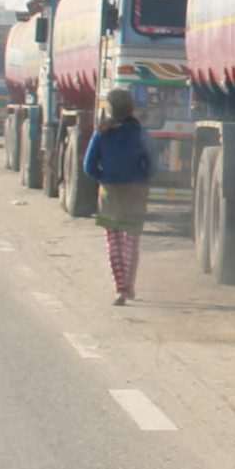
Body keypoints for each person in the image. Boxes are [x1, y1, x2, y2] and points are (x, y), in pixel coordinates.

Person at [83, 88, 154, 306]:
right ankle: (130, 286)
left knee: (113, 241)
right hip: (136, 191)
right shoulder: (141, 133)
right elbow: (152, 165)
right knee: (131, 240)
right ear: (131, 107)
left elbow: (88, 166)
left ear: (110, 108)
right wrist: (140, 178)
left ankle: (120, 288)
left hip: (110, 191)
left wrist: (104, 177)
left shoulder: (101, 133)